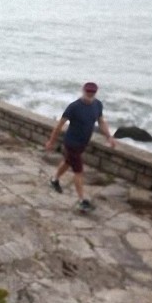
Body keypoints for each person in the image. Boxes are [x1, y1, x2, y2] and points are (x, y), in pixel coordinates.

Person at [44, 81, 117, 211]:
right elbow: (59, 126)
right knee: (78, 171)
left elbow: (101, 121)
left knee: (67, 162)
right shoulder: (74, 107)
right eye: (88, 91)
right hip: (71, 143)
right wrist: (51, 141)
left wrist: (109, 137)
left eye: (92, 92)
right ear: (83, 90)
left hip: (83, 143)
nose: (90, 93)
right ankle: (82, 200)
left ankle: (54, 180)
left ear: (95, 92)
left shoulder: (97, 105)